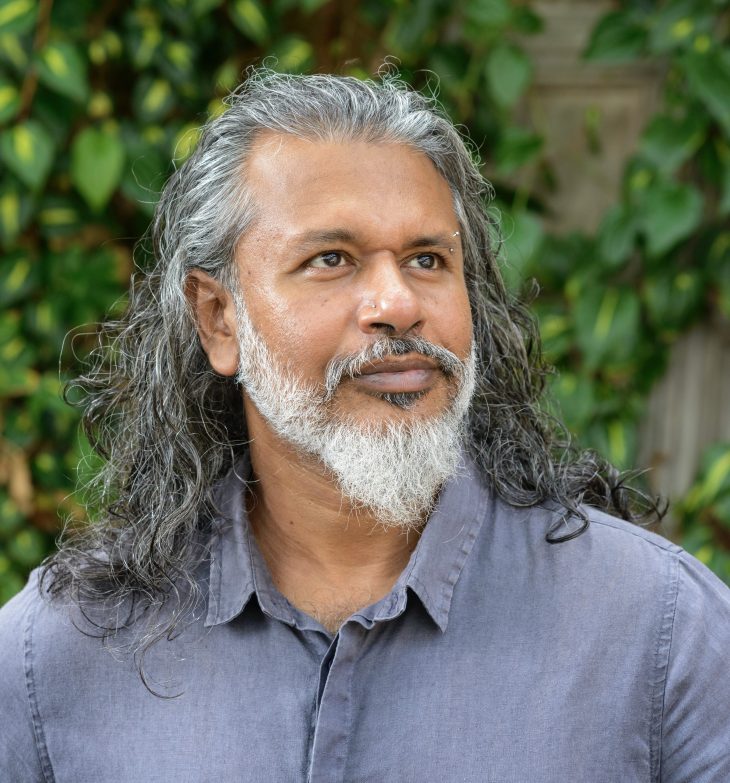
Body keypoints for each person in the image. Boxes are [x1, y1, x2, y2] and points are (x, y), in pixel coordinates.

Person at [1, 68, 728, 783]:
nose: (398, 301)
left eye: (427, 258)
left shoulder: (660, 634)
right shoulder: (53, 660)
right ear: (220, 319)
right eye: (331, 259)